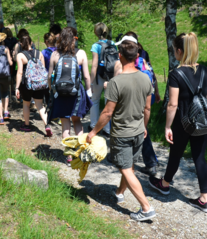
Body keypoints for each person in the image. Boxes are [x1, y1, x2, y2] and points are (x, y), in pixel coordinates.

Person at [87, 34, 156, 222]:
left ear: (120, 56)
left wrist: (93, 132)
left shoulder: (116, 82)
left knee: (125, 168)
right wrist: (144, 126)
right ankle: (119, 191)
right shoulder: (145, 78)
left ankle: (146, 207)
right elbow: (148, 108)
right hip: (138, 132)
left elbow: (107, 113)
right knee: (130, 165)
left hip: (122, 134)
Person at [149, 32, 207, 213]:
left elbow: (173, 104)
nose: (174, 53)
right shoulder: (205, 70)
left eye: (174, 50)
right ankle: (205, 197)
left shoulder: (176, 74)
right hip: (203, 121)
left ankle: (164, 184)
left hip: (183, 122)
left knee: (176, 153)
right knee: (199, 157)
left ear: (180, 51)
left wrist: (167, 126)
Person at [48, 27, 92, 165]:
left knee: (65, 125)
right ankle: (80, 153)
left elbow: (49, 77)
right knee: (77, 122)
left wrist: (52, 91)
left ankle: (68, 156)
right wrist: (89, 91)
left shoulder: (55, 54)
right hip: (76, 94)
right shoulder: (81, 54)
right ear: (74, 39)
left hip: (60, 94)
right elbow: (86, 76)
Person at [124, 31, 160, 176]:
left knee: (140, 128)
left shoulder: (131, 55)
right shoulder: (143, 53)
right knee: (140, 127)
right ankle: (148, 161)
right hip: (147, 93)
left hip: (137, 96)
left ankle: (148, 162)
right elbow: (152, 73)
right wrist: (155, 91)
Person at [15, 35, 52, 136]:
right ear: (31, 43)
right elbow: (43, 70)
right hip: (39, 83)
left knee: (26, 104)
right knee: (40, 105)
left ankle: (27, 125)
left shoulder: (20, 55)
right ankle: (47, 125)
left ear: (21, 44)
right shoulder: (39, 53)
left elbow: (19, 73)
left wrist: (17, 87)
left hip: (26, 84)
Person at [89, 22, 116, 134]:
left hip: (99, 76)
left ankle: (94, 125)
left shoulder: (96, 45)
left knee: (94, 100)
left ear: (96, 32)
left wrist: (90, 82)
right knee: (108, 102)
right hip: (111, 75)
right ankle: (107, 128)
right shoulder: (113, 43)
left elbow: (94, 65)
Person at [42, 32, 57, 106]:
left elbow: (42, 67)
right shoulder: (59, 51)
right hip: (58, 77)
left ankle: (50, 113)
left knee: (48, 96)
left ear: (46, 41)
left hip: (48, 77)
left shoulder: (44, 52)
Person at [2, 28, 18, 95]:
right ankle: (16, 88)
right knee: (14, 74)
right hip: (15, 58)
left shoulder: (4, 40)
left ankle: (11, 89)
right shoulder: (15, 39)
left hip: (7, 58)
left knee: (9, 74)